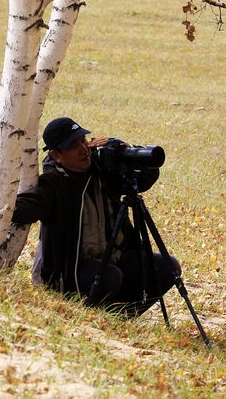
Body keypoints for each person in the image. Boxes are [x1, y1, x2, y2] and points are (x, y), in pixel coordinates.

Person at [11, 117, 180, 317]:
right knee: (108, 276)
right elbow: (24, 208)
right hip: (69, 270)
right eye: (74, 146)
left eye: (84, 140)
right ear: (57, 155)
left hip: (111, 258)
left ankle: (121, 318)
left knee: (168, 267)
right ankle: (90, 318)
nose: (84, 149)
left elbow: (144, 178)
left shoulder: (102, 170)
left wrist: (126, 151)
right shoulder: (54, 184)